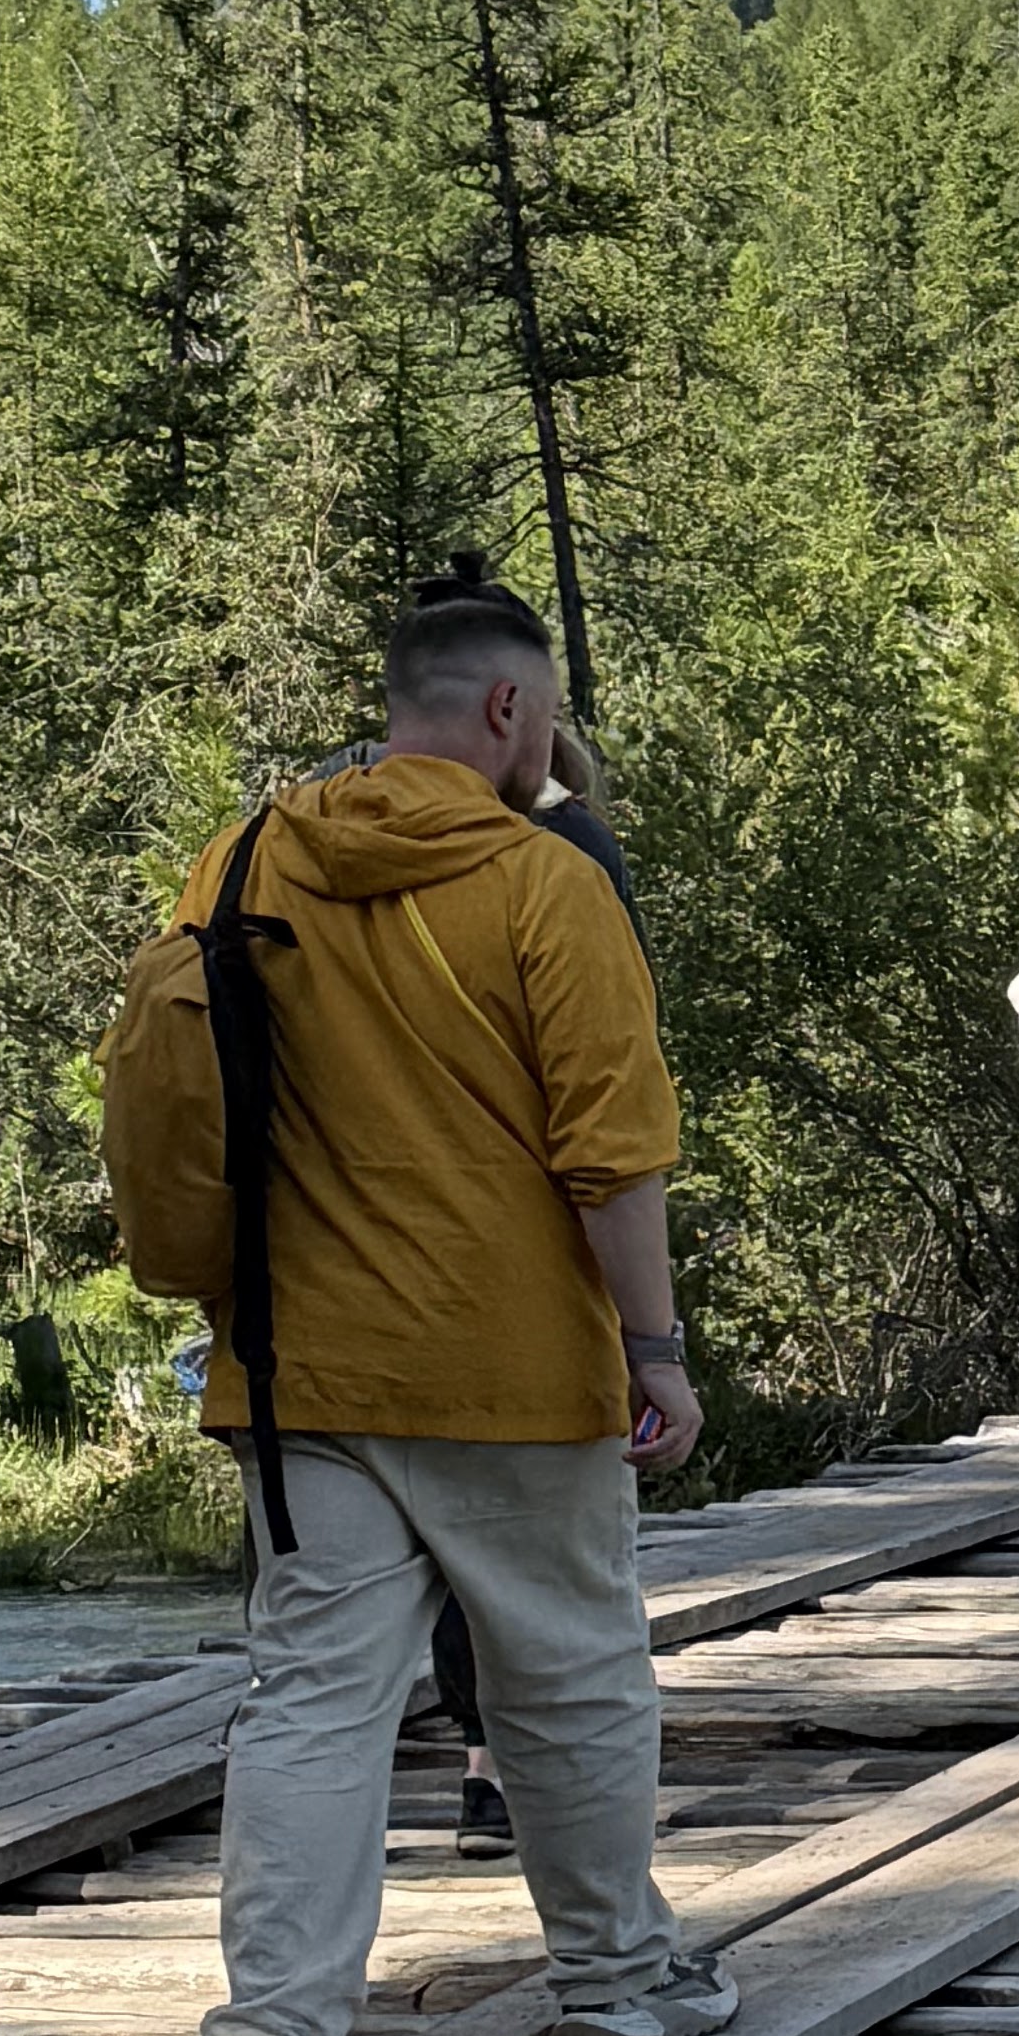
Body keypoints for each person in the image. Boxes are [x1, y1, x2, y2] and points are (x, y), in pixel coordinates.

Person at [178, 569, 733, 2036]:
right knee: (568, 1681)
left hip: (301, 1378)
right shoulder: (545, 884)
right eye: (543, 719)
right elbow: (614, 1154)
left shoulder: (242, 866)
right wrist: (657, 1349)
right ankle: (618, 1979)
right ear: (508, 711)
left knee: (308, 1708)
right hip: (515, 1370)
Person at [433, 701, 643, 1862]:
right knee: (550, 1567)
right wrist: (654, 1341)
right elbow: (612, 1085)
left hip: (347, 1291)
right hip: (537, 1262)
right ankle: (598, 1908)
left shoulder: (304, 840)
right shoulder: (568, 856)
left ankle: (475, 1766)